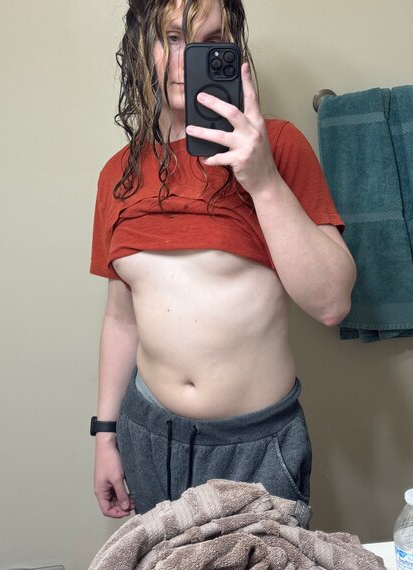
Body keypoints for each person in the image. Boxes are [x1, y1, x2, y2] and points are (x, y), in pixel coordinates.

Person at [89, 0, 356, 519]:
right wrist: (105, 434)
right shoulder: (117, 174)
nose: (188, 59)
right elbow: (121, 319)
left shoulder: (279, 146)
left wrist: (263, 179)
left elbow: (332, 303)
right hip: (148, 434)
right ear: (140, 45)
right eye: (172, 37)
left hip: (254, 445)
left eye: (210, 41)